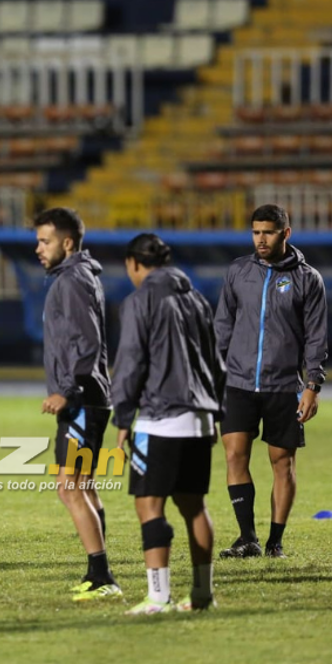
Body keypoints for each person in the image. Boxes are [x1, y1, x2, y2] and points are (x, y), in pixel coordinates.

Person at [112, 234, 226, 615]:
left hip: (161, 418)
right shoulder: (195, 299)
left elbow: (131, 361)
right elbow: (216, 361)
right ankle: (201, 593)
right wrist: (215, 414)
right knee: (194, 506)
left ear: (134, 263)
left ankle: (157, 597)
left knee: (149, 504)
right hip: (199, 417)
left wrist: (124, 416)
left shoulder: (140, 300)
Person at [214, 204, 328, 558]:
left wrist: (312, 385)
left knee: (282, 463)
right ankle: (247, 537)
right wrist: (213, 373)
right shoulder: (238, 271)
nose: (261, 239)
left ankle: (275, 541)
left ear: (285, 234)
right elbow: (222, 326)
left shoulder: (308, 278)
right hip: (238, 383)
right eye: (256, 232)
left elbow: (316, 337)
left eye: (268, 232)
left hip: (284, 386)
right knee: (234, 455)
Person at [34, 207, 121, 601]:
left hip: (83, 397)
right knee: (81, 484)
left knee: (69, 487)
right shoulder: (77, 277)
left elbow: (84, 344)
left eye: (45, 241)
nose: (39, 248)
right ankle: (97, 571)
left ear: (67, 243)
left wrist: (66, 391)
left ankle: (103, 576)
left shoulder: (71, 281)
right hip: (89, 396)